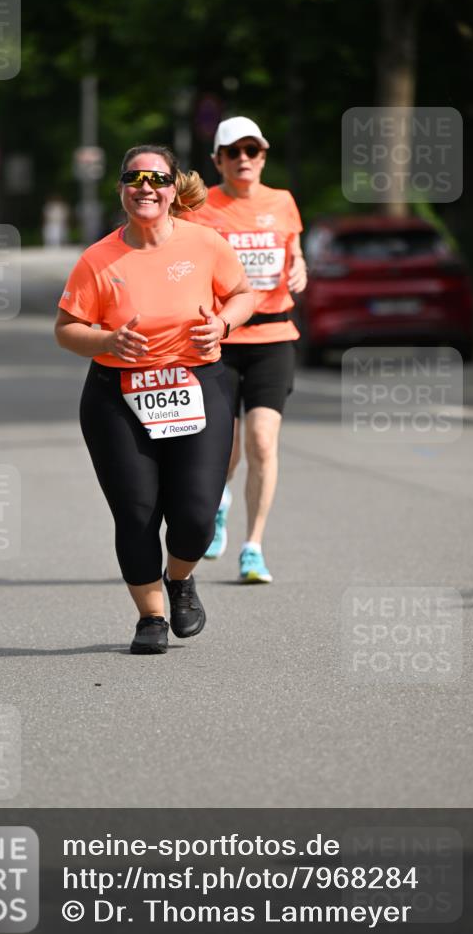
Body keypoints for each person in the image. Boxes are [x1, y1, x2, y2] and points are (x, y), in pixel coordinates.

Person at [54, 145, 253, 655]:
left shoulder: (204, 243)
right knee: (137, 513)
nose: (145, 186)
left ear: (172, 189)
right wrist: (106, 341)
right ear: (121, 189)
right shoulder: (98, 258)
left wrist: (224, 323)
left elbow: (243, 294)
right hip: (116, 396)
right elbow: (66, 329)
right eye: (133, 177)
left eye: (156, 178)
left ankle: (181, 579)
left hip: (196, 386)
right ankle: (151, 616)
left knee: (195, 516)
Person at [191, 116, 307, 583]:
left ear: (263, 156)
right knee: (225, 450)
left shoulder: (282, 202)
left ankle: (253, 547)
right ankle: (219, 504)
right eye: (233, 152)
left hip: (274, 337)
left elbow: (293, 251)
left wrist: (300, 269)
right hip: (220, 339)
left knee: (262, 441)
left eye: (252, 151)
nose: (244, 159)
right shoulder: (200, 209)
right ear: (217, 159)